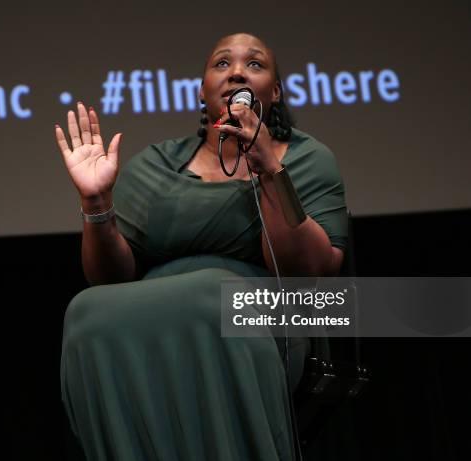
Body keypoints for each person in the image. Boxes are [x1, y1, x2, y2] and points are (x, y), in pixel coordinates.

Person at [55, 32, 347, 461]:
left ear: (276, 91)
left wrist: (269, 169)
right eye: (222, 64)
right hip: (156, 316)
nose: (236, 73)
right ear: (202, 90)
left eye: (255, 64)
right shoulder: (157, 164)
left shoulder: (304, 158)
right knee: (86, 310)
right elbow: (108, 278)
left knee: (213, 294)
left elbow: (306, 271)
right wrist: (95, 203)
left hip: (258, 315)